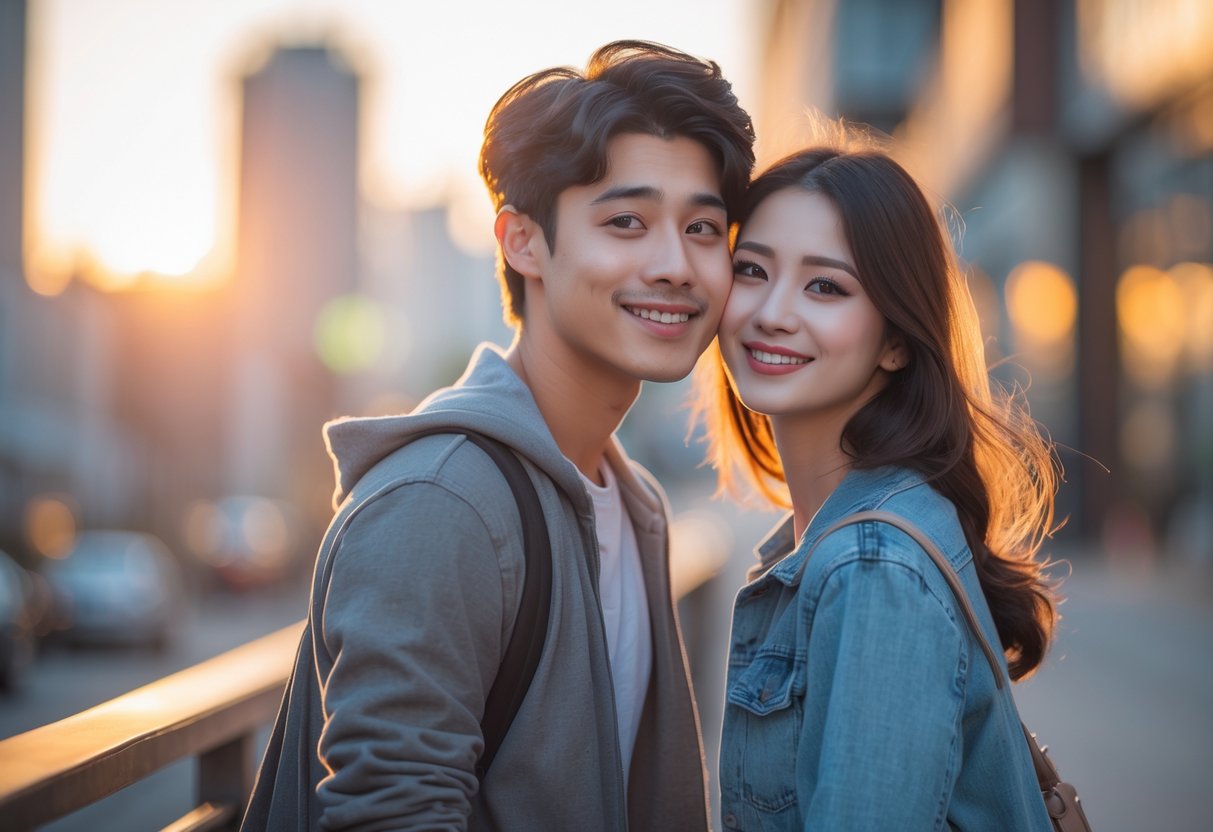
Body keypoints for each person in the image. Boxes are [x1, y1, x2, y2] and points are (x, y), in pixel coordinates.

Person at [241, 41, 754, 831]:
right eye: (626, 221)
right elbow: (391, 812)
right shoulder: (441, 505)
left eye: (702, 228)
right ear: (522, 242)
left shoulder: (632, 500)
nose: (675, 265)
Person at [694, 135, 1060, 830]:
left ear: (896, 341)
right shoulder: (847, 536)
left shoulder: (873, 567)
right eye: (750, 270)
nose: (771, 312)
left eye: (825, 286)